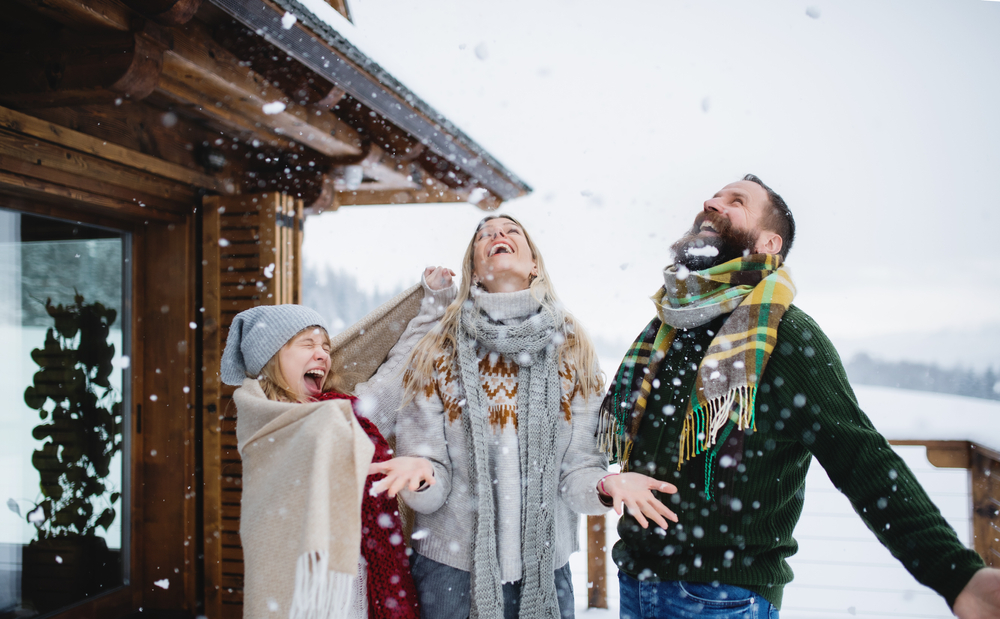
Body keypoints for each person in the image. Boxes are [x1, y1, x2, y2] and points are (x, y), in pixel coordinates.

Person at [600, 174, 1000, 619]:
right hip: (636, 582)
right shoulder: (668, 328)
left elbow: (861, 457)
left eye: (736, 201)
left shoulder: (783, 334)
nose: (712, 202)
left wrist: (955, 574)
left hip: (721, 599)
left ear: (769, 243)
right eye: (713, 196)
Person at [396, 215, 679, 619]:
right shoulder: (436, 350)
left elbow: (579, 468)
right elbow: (431, 481)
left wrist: (606, 484)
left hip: (546, 570)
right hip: (450, 574)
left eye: (512, 231)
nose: (498, 235)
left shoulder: (572, 348)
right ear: (474, 269)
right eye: (485, 235)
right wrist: (420, 474)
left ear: (534, 265)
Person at [221, 268, 456, 619]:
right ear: (271, 358)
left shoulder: (344, 413)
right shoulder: (265, 425)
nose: (322, 354)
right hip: (305, 593)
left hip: (365, 576)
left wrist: (434, 305)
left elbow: (397, 372)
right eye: (307, 344)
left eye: (326, 346)